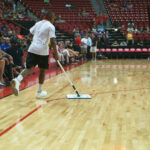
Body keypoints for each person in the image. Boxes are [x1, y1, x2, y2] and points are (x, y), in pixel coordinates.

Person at [11, 10, 58, 99]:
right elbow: (52, 41)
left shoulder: (38, 23)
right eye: (54, 18)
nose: (54, 20)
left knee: (29, 68)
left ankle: (17, 80)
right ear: (51, 18)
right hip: (43, 50)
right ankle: (39, 92)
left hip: (32, 48)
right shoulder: (51, 26)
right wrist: (56, 54)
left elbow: (30, 35)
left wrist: (31, 42)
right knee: (42, 70)